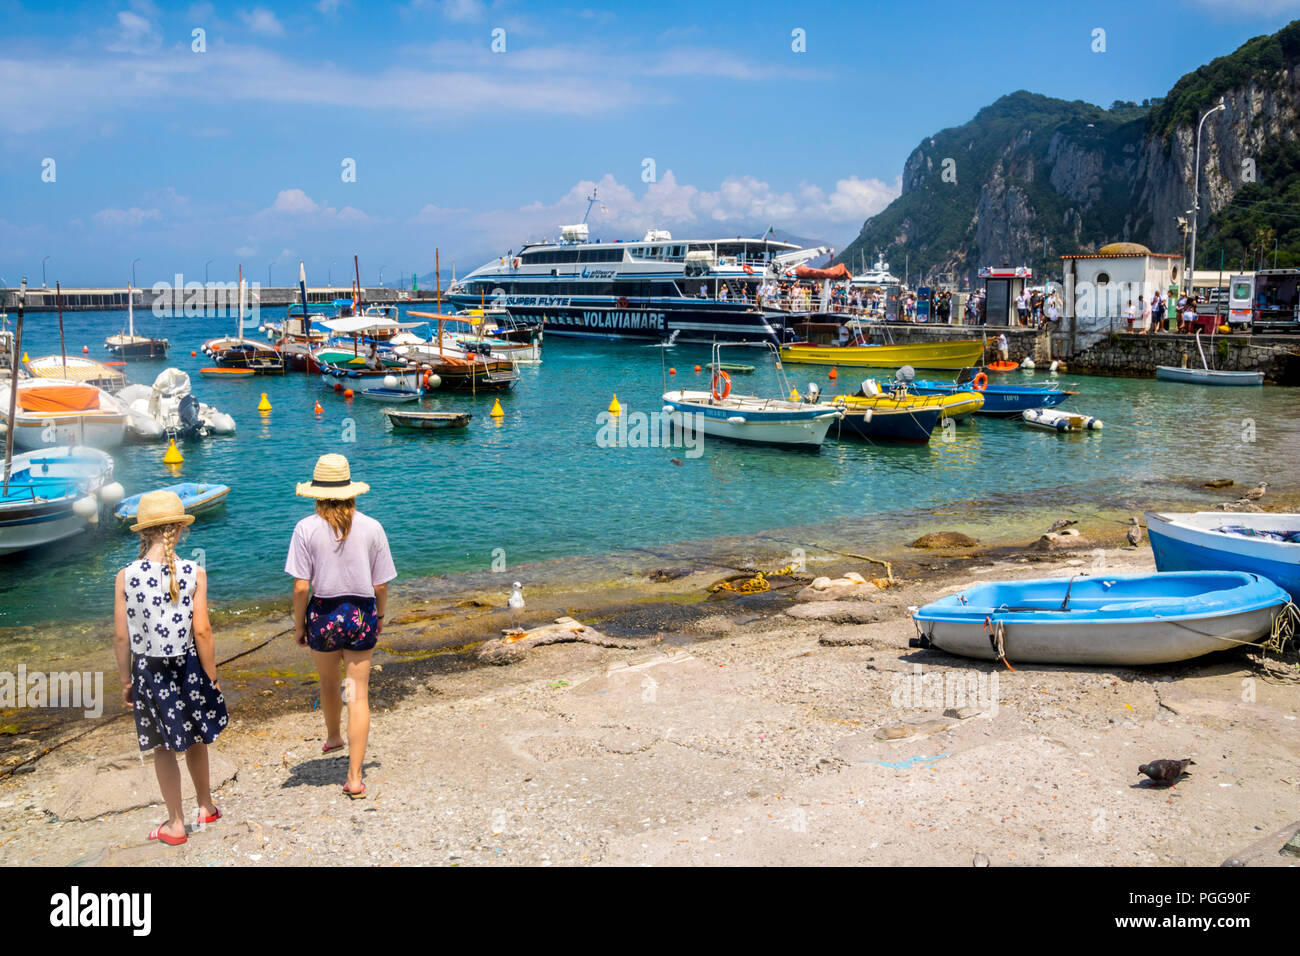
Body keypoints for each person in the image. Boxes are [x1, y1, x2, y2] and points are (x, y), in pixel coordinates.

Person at [114, 490, 227, 847]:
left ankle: (176, 823)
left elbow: (121, 638)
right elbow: (203, 631)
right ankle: (206, 805)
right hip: (188, 667)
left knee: (163, 745)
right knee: (195, 738)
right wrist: (211, 676)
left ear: (142, 532)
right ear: (180, 529)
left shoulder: (126, 576)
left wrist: (125, 681)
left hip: (148, 671)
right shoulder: (195, 572)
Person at [286, 454, 396, 800]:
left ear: (317, 493)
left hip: (324, 613)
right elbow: (380, 585)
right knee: (358, 694)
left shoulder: (305, 528)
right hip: (361, 612)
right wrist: (378, 617)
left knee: (330, 683)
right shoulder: (372, 527)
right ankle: (354, 778)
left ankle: (333, 737)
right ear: (351, 492)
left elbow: (301, 586)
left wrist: (298, 624)